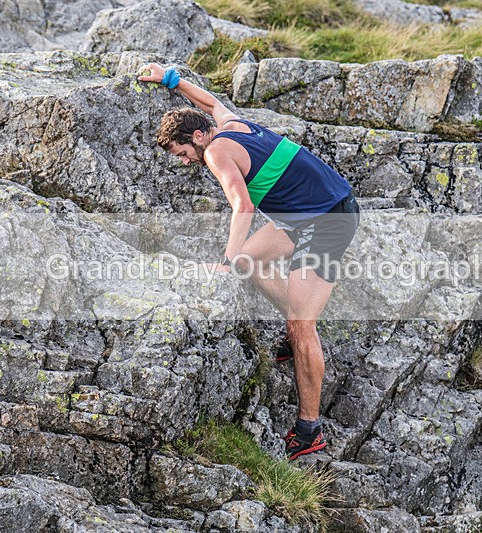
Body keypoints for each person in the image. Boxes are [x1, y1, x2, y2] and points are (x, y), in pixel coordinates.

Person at [138, 63, 359, 461]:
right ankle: (295, 343)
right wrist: (171, 79)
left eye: (184, 153)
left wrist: (225, 261)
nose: (186, 161)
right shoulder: (229, 124)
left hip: (328, 219)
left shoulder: (217, 152)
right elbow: (210, 100)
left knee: (300, 325)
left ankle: (310, 430)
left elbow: (243, 206)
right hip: (303, 214)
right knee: (248, 263)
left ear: (199, 137)